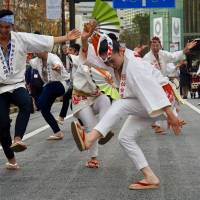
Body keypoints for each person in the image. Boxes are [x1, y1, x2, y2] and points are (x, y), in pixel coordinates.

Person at [71, 37, 184, 190]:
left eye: (112, 61)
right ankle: (150, 177)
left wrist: (172, 117)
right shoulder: (113, 59)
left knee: (120, 105)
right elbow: (90, 58)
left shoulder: (134, 66)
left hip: (164, 100)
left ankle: (90, 138)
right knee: (125, 137)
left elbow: (154, 90)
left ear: (122, 52)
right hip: (145, 102)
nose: (111, 65)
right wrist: (84, 40)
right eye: (108, 62)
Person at [0, 9, 81, 169]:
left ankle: (17, 139)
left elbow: (41, 40)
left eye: (7, 27)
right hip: (1, 88)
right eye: (0, 27)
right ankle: (12, 159)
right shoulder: (36, 62)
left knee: (25, 103)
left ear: (12, 26)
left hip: (21, 84)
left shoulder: (21, 39)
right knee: (2, 126)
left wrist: (65, 38)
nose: (3, 31)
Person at [143, 36, 196, 134]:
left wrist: (185, 50)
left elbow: (173, 56)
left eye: (157, 45)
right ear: (150, 46)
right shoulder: (146, 58)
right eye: (153, 45)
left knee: (169, 102)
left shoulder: (163, 54)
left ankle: (169, 122)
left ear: (160, 45)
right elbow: (144, 74)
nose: (155, 47)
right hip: (153, 85)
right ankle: (170, 121)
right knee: (162, 105)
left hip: (163, 83)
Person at [29, 51, 71, 140]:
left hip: (62, 84)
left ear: (44, 49)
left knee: (48, 88)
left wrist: (57, 67)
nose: (35, 52)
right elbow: (26, 60)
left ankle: (35, 106)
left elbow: (57, 63)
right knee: (45, 110)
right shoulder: (36, 61)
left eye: (37, 50)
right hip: (50, 86)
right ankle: (57, 132)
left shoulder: (53, 57)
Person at [57, 43, 81, 125]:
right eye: (69, 50)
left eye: (71, 50)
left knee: (73, 104)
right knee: (68, 98)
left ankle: (82, 123)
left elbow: (70, 57)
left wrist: (66, 52)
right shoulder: (73, 61)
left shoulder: (78, 58)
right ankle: (62, 117)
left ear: (76, 52)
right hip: (75, 86)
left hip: (81, 87)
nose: (69, 52)